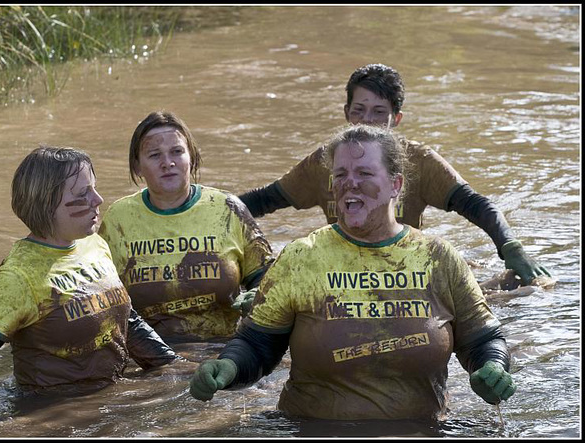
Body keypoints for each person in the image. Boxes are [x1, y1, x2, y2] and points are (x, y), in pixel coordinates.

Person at [189, 125, 516, 422]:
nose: (350, 183)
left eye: (364, 172)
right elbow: (258, 345)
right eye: (341, 174)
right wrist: (228, 367)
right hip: (312, 429)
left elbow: (484, 339)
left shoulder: (438, 258)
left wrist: (492, 368)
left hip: (421, 430)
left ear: (395, 185)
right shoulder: (303, 257)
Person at [239, 63, 551, 286]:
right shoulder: (324, 161)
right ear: (346, 113)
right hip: (342, 272)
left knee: (522, 290)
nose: (367, 121)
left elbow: (475, 204)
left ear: (396, 118)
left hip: (404, 269)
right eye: (359, 110)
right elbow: (262, 201)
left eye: (379, 112)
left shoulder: (419, 161)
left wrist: (511, 249)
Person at [0, 146, 180, 413]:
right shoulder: (17, 276)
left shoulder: (94, 245)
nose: (98, 199)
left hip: (108, 403)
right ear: (46, 205)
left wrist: (173, 367)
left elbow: (126, 320)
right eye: (83, 194)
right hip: (53, 414)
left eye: (94, 188)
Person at [98, 111, 274, 346]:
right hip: (151, 358)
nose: (167, 163)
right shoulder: (118, 219)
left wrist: (256, 300)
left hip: (222, 350)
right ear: (137, 167)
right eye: (154, 155)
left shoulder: (227, 208)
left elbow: (267, 279)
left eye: (177, 152)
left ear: (192, 158)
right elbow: (102, 299)